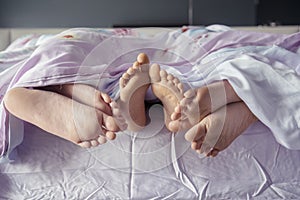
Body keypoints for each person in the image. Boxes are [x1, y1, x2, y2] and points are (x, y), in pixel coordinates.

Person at [3, 53, 258, 157]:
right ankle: (239, 103)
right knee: (263, 70)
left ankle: (71, 90)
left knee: (62, 56)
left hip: (79, 55)